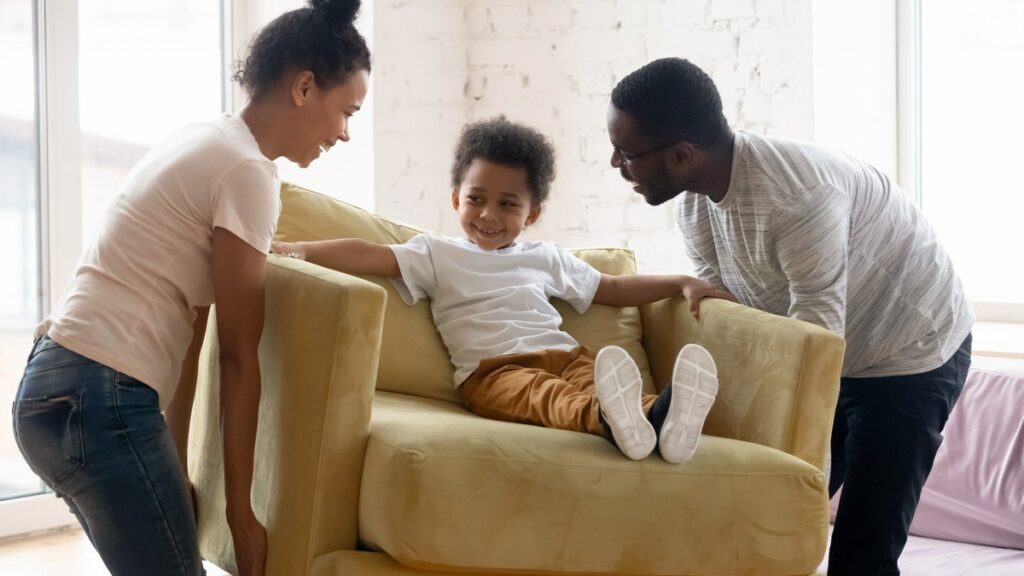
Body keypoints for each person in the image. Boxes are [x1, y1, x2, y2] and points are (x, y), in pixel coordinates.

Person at [11, 1, 370, 575]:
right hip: (102, 399)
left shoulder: (206, 138)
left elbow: (191, 330)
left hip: (48, 391)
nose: (347, 134)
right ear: (304, 87)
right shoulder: (247, 172)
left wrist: (175, 468)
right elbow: (237, 356)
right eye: (346, 111)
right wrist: (241, 516)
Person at [606, 57, 974, 575]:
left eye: (625, 154)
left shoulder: (798, 200)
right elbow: (738, 321)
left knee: (860, 555)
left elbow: (815, 344)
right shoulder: (693, 205)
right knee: (759, 518)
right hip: (834, 346)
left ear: (682, 154)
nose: (615, 165)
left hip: (910, 353)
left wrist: (789, 451)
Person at [272, 116, 732, 463]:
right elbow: (369, 254)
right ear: (456, 199)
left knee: (590, 378)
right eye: (476, 199)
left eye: (508, 204)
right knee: (547, 397)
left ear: (531, 214)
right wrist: (300, 251)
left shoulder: (545, 258)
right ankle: (613, 421)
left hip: (566, 355)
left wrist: (680, 280)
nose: (488, 214)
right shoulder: (436, 254)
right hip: (492, 373)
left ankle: (663, 418)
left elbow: (610, 287)